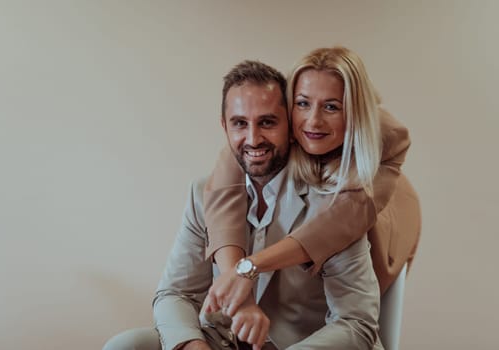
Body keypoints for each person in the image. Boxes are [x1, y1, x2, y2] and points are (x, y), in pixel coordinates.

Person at [103, 60, 383, 350]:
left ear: (290, 126)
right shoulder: (204, 194)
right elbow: (176, 293)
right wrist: (192, 345)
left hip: (304, 344)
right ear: (225, 127)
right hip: (224, 341)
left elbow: (356, 322)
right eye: (240, 123)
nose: (253, 139)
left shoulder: (338, 202)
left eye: (267, 122)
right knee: (125, 345)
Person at [203, 46, 421, 318]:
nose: (313, 121)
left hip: (379, 214)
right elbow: (225, 189)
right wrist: (238, 285)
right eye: (303, 103)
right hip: (324, 202)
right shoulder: (263, 129)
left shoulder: (388, 137)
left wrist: (251, 266)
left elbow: (338, 223)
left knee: (354, 317)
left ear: (354, 111)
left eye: (331, 107)